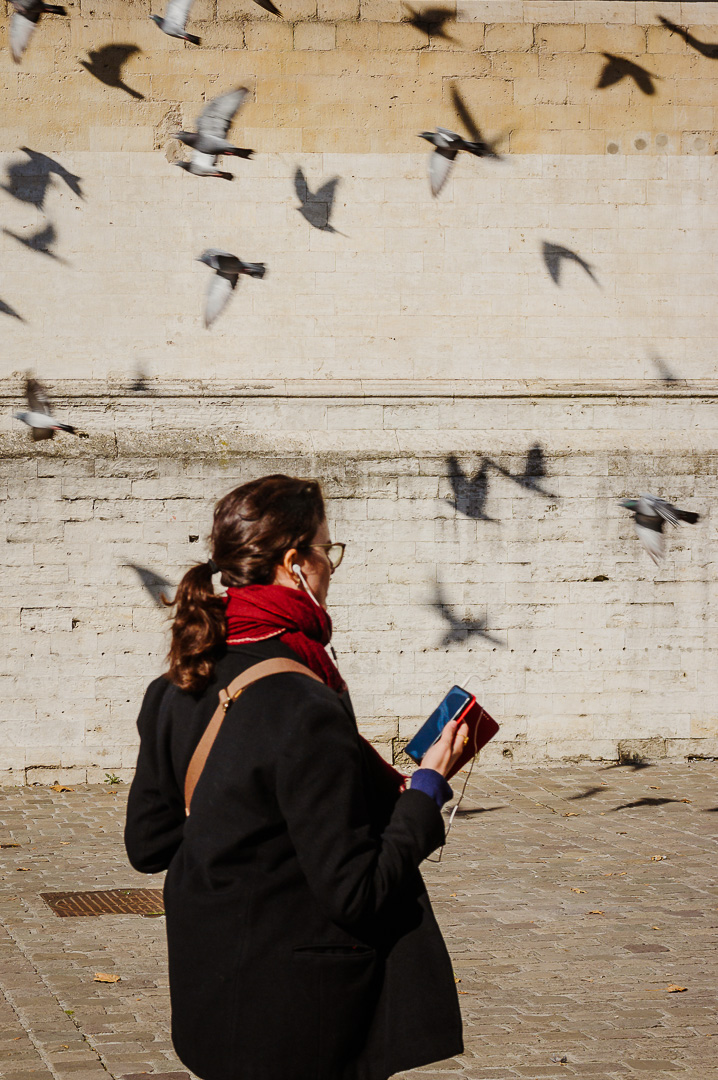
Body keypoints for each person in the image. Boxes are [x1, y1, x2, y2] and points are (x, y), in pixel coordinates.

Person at [124, 474, 468, 1080]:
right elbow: (355, 891)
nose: (332, 565)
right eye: (327, 551)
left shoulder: (176, 683)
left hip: (213, 997)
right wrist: (427, 788)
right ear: (295, 564)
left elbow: (148, 844)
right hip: (299, 1019)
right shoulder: (306, 705)